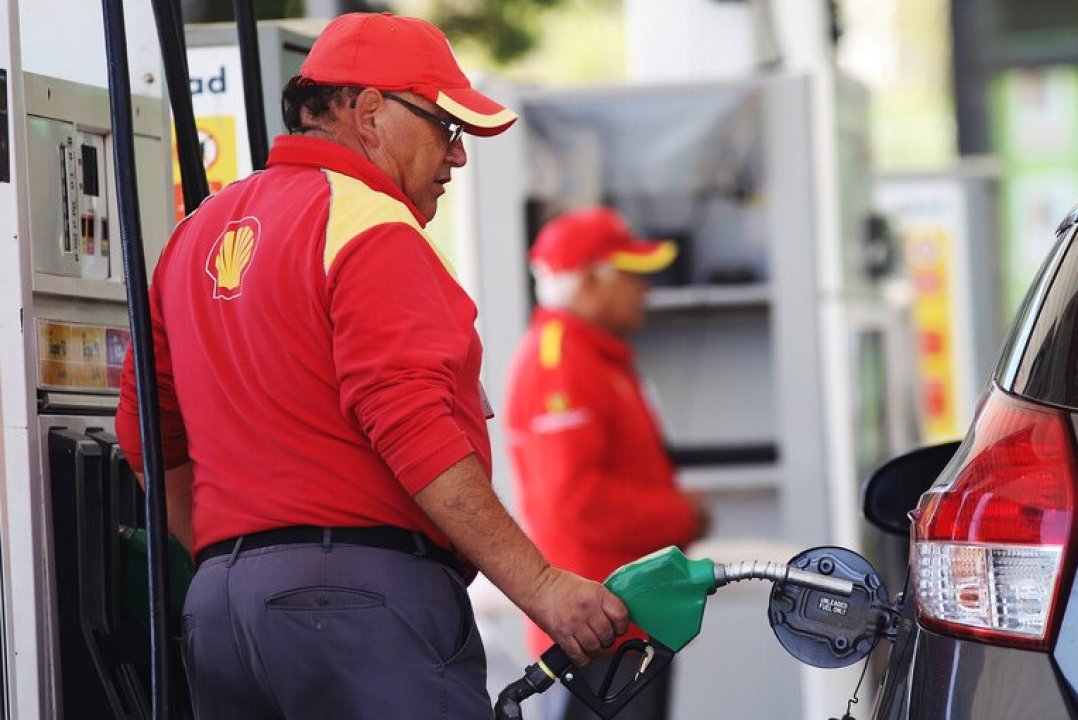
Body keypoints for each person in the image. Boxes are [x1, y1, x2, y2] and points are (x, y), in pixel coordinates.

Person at [115, 13, 628, 719]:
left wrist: (237, 557)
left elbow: (145, 434)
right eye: (445, 128)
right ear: (369, 113)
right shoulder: (370, 226)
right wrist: (542, 588)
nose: (457, 156)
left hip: (222, 619)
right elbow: (412, 427)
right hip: (361, 609)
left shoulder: (193, 235)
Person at [504, 207, 712, 720]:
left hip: (624, 624)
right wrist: (681, 516)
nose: (645, 289)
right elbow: (575, 503)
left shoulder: (593, 355)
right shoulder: (561, 363)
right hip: (596, 633)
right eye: (631, 275)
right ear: (590, 283)